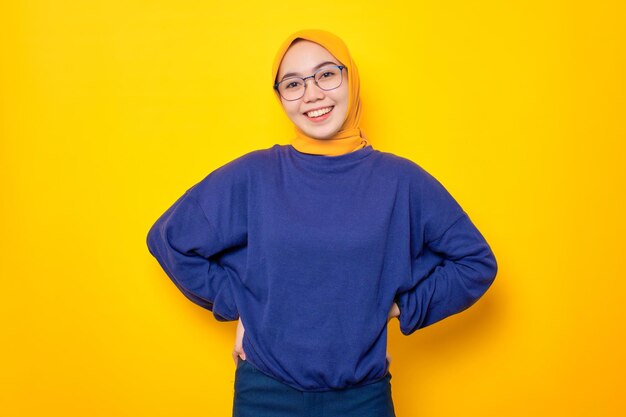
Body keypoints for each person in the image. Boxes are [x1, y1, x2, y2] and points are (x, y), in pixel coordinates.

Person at [146, 29, 498, 417]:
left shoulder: (402, 181)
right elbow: (169, 239)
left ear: (351, 78)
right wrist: (244, 304)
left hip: (362, 398)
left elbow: (475, 263)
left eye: (326, 74)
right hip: (266, 393)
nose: (312, 94)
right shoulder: (255, 175)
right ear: (280, 97)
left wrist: (400, 306)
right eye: (293, 84)